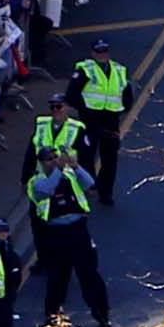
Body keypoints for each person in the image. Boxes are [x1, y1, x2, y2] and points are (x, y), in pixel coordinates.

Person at [26, 148, 111, 324]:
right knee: (57, 277)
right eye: (49, 159)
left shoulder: (69, 175)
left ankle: (102, 313)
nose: (54, 161)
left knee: (89, 274)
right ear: (41, 163)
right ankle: (52, 316)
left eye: (55, 157)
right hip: (56, 234)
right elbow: (47, 190)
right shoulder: (36, 182)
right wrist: (59, 170)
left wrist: (75, 166)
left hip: (78, 231)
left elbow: (89, 185)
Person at [65, 38, 133, 205]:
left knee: (110, 159)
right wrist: (85, 110)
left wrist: (123, 108)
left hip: (111, 120)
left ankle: (106, 193)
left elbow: (127, 94)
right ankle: (89, 187)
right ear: (93, 53)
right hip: (90, 120)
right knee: (87, 156)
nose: (102, 54)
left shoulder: (119, 70)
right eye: (99, 51)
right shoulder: (84, 69)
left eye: (104, 51)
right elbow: (72, 95)